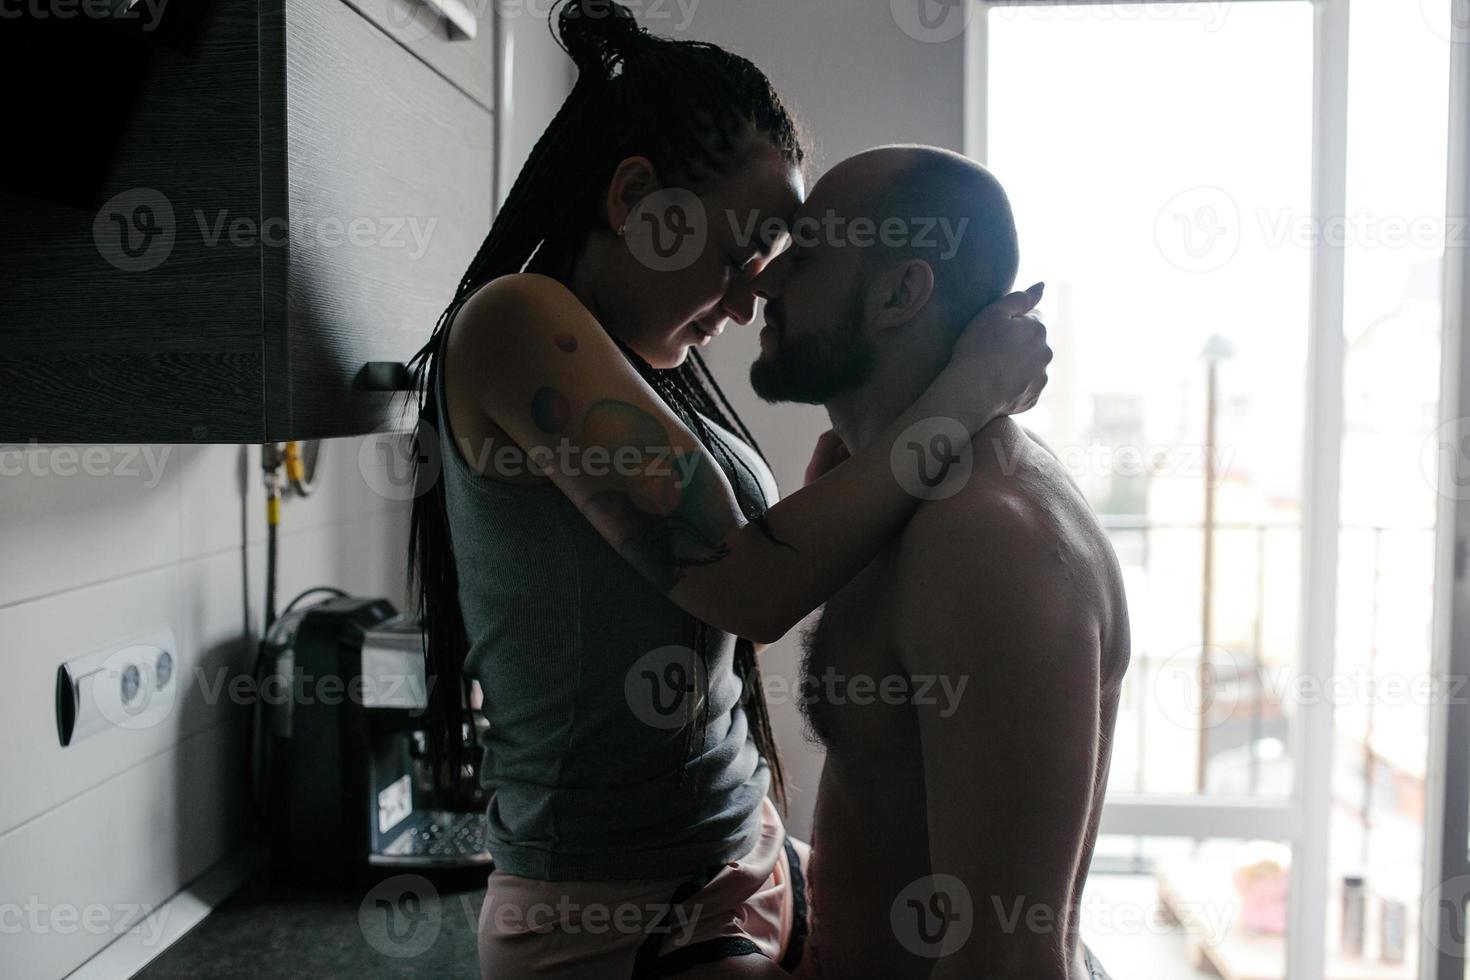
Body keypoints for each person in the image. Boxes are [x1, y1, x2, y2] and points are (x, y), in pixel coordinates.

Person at [405, 3, 1050, 976]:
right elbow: (747, 588)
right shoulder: (518, 322)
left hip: (734, 858)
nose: (754, 296)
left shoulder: (640, 361)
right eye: (742, 251)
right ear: (635, 200)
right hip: (616, 919)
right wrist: (966, 391)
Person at [748, 146, 1129, 980]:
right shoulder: (872, 492)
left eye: (802, 257)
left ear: (899, 293)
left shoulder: (986, 537)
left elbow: (1007, 957)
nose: (763, 286)